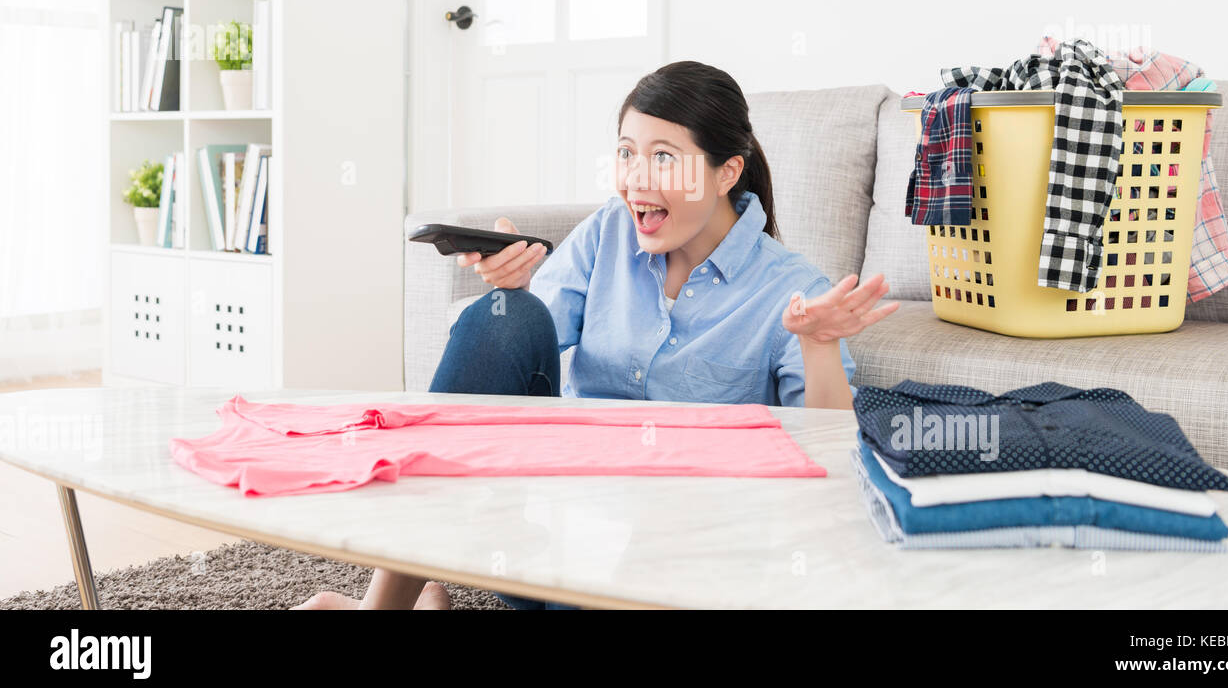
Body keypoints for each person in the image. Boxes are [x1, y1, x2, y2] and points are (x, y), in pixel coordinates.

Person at [295, 61, 899, 610]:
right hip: (560, 529)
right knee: (508, 315)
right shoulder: (607, 233)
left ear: (727, 173)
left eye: (664, 157)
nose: (636, 179)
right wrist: (513, 292)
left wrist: (818, 346)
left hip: (685, 564)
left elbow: (831, 464)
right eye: (627, 153)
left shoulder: (788, 291)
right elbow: (505, 359)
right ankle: (384, 606)